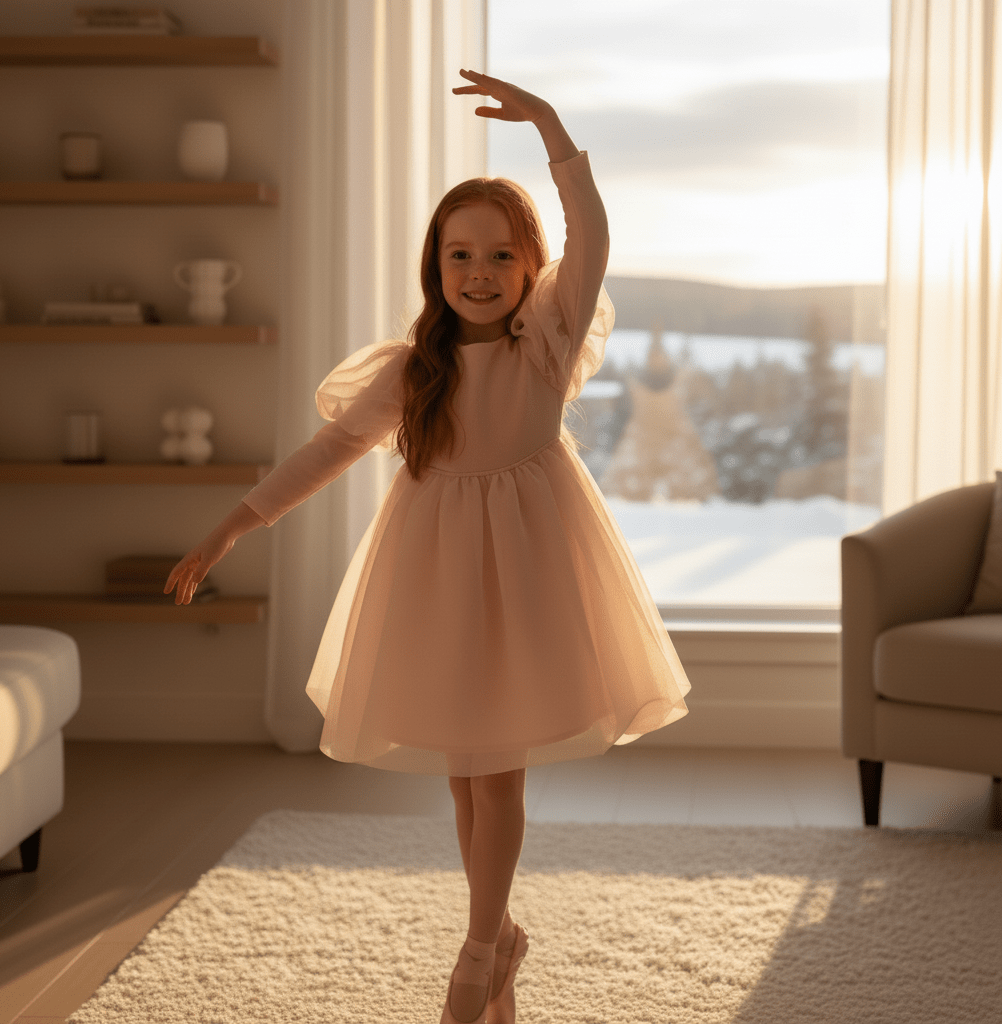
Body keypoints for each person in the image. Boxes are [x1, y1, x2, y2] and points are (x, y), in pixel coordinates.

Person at [166, 69, 691, 1024]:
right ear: (435, 266)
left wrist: (552, 130)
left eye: (500, 254)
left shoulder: (547, 343)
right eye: (460, 254)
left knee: (499, 771)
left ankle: (480, 951)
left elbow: (595, 237)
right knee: (465, 773)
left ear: (531, 268)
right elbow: (329, 451)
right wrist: (233, 525)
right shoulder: (414, 369)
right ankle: (502, 939)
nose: (479, 272)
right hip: (437, 575)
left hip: (530, 568)